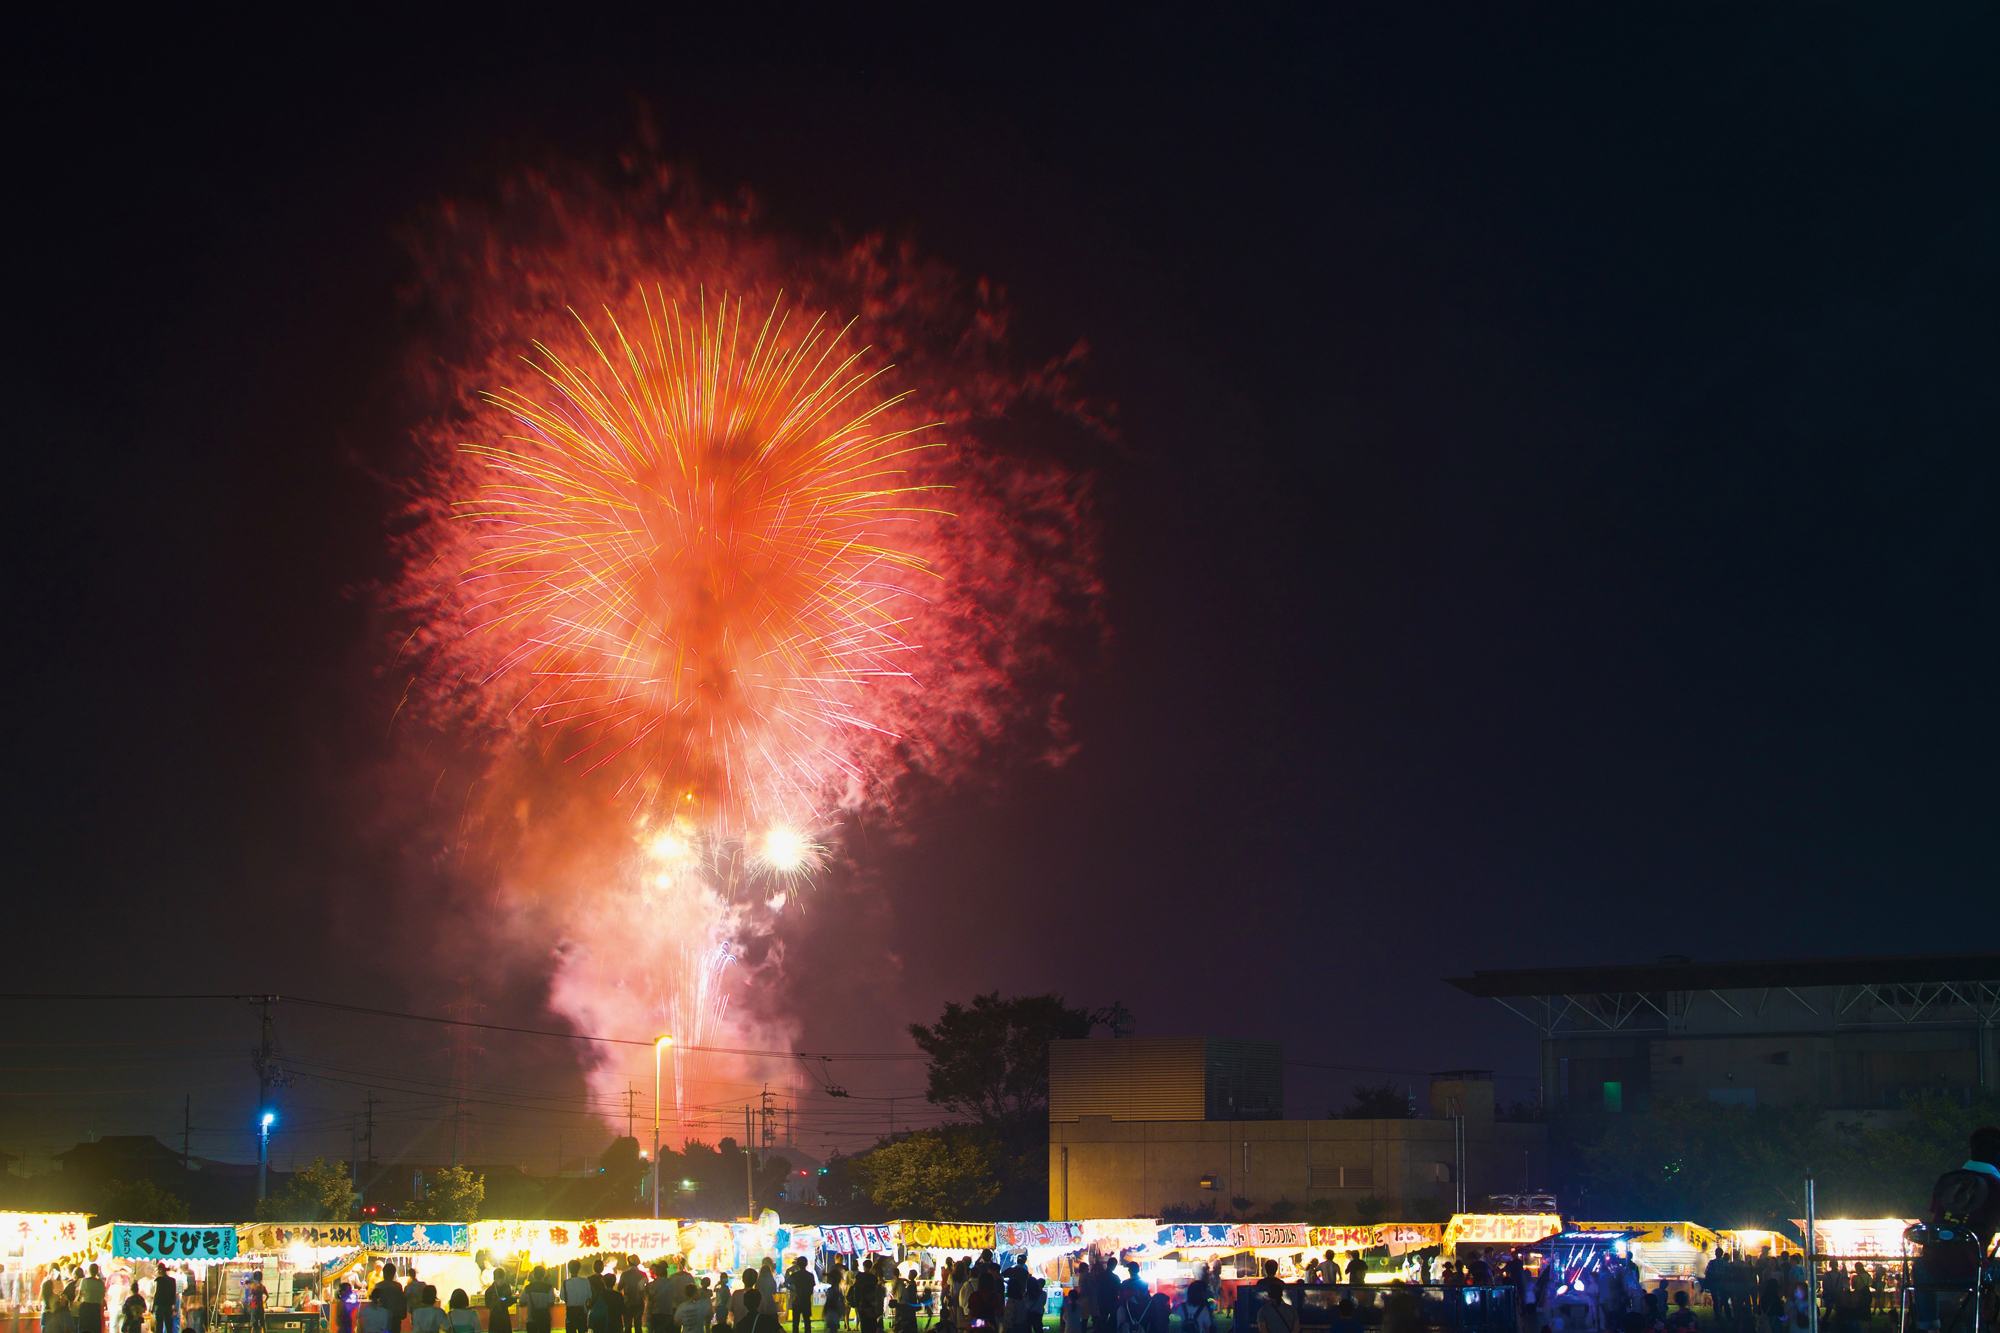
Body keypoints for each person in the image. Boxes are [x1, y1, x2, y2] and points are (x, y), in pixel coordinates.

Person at [784, 1260, 817, 1333]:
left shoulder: (795, 1275)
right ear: (806, 1264)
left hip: (797, 1300)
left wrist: (793, 1291)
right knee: (807, 1322)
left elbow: (785, 1283)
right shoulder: (810, 1275)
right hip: (806, 1300)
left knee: (795, 1323)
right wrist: (808, 1293)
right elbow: (812, 1287)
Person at [374, 1265, 409, 1333]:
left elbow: (375, 1302)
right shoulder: (397, 1286)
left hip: (381, 1318)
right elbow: (401, 1301)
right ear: (393, 1274)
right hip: (395, 1317)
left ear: (384, 1273)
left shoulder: (378, 1286)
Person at [524, 1267, 558, 1333]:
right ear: (544, 1275)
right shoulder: (548, 1287)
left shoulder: (528, 1288)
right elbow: (551, 1303)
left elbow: (522, 1302)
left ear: (533, 1275)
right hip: (544, 1319)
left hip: (531, 1318)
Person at [565, 1262, 594, 1333]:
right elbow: (589, 1296)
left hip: (570, 1313)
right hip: (582, 1312)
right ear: (579, 1269)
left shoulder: (565, 1283)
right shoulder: (585, 1281)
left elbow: (563, 1297)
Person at [78, 1264, 107, 1333]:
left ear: (89, 1271)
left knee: (84, 1327)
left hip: (85, 1306)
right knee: (95, 1328)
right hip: (96, 1307)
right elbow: (102, 1295)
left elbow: (80, 1294)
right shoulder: (101, 1283)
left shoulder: (84, 1281)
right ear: (97, 1271)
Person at [488, 1265, 518, 1333]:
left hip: (505, 1315)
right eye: (499, 1281)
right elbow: (488, 1305)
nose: (501, 1283)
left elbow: (508, 1300)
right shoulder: (490, 1290)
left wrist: (513, 1299)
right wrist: (499, 1300)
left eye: (502, 1280)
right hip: (494, 1317)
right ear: (494, 1279)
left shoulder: (506, 1287)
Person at [156, 1263, 181, 1333]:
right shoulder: (172, 1281)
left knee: (159, 1326)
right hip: (168, 1305)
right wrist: (173, 1305)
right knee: (169, 1325)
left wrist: (153, 1306)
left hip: (160, 1305)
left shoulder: (159, 1280)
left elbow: (157, 1294)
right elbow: (173, 1294)